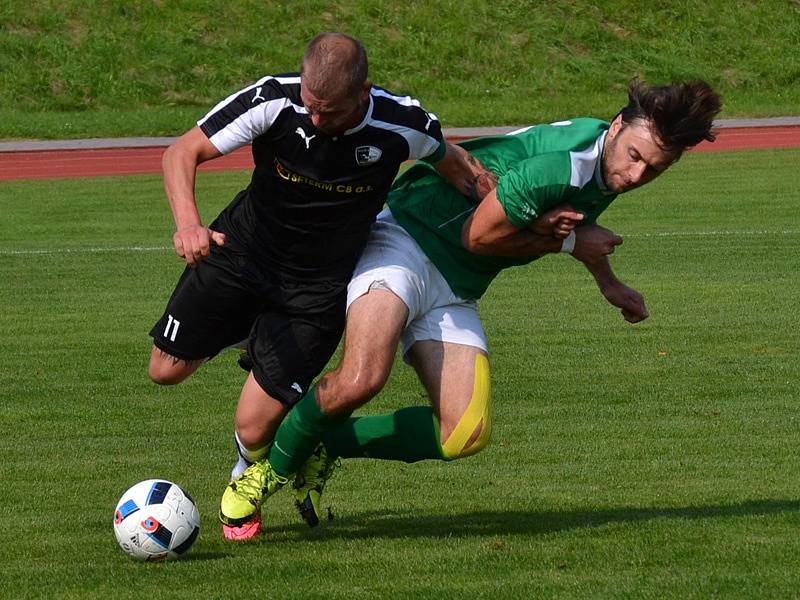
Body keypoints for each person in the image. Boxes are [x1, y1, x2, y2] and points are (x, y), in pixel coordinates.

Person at [218, 78, 722, 534]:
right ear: (616, 128)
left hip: (456, 283)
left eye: (654, 168)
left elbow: (570, 226)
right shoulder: (560, 168)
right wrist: (570, 245)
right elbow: (479, 236)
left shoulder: (605, 156)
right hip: (403, 243)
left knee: (464, 432)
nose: (636, 174)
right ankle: (264, 475)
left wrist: (607, 281)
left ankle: (323, 443)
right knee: (361, 379)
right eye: (635, 156)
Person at [147, 32, 496, 540]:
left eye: (327, 111)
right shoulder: (273, 100)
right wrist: (188, 224)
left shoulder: (400, 124)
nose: (314, 119)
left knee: (253, 426)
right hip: (242, 253)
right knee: (164, 371)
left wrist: (517, 213)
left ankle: (246, 477)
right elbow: (181, 152)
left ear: (364, 92)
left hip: (316, 289)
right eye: (310, 105)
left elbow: (458, 167)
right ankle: (250, 331)